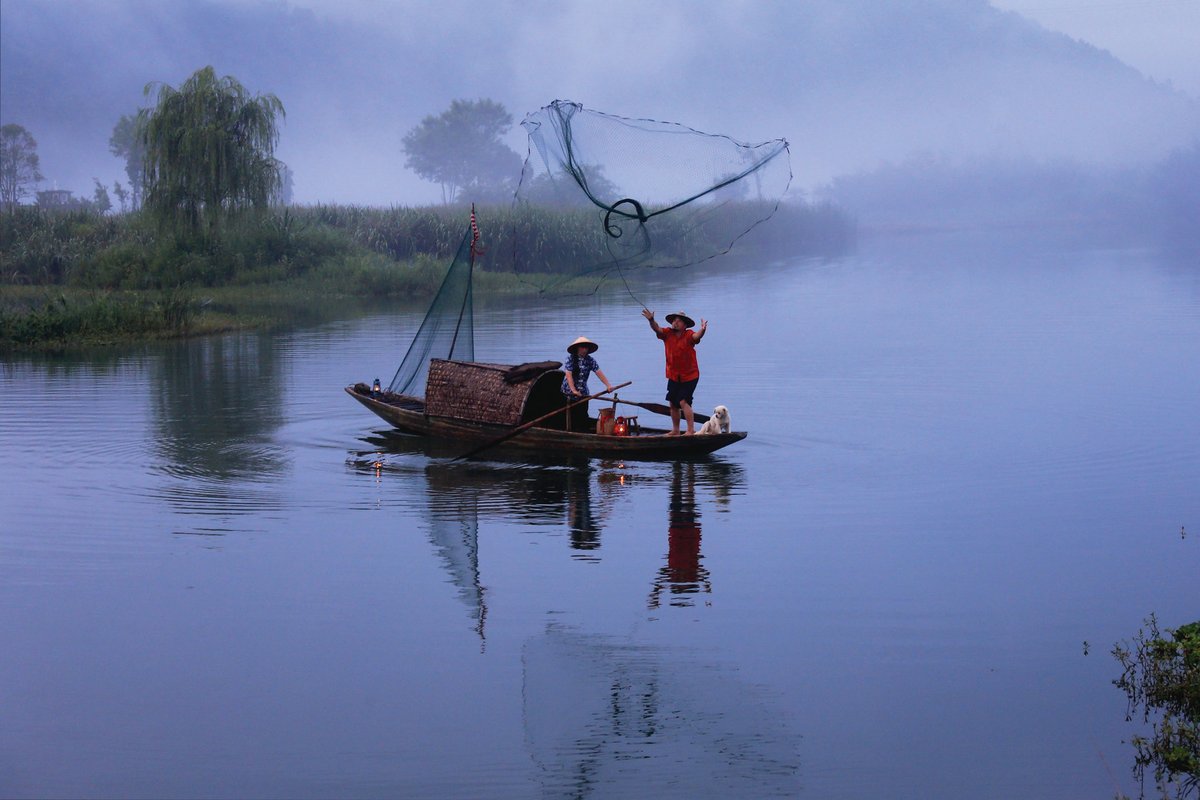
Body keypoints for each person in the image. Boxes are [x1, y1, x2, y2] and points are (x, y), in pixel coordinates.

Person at [641, 308, 707, 435]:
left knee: (683, 401)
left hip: (690, 375)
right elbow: (657, 329)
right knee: (673, 403)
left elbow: (697, 336)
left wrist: (703, 329)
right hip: (673, 375)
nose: (675, 323)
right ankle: (676, 430)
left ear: (685, 325)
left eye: (679, 321)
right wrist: (651, 320)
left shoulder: (688, 335)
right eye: (674, 320)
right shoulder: (667, 333)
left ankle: (690, 430)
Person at [561, 336, 614, 432]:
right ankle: (571, 431)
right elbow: (568, 375)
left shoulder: (590, 360)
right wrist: (573, 391)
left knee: (583, 415)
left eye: (586, 347)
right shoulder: (570, 359)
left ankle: (582, 431)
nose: (585, 350)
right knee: (570, 416)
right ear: (577, 348)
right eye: (582, 347)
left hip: (583, 392)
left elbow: (598, 372)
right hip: (569, 392)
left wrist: (608, 385)